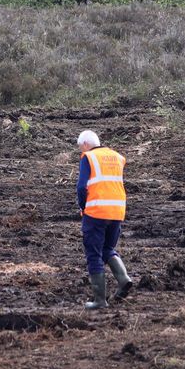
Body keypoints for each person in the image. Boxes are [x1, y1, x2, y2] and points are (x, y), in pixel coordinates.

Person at [76, 130, 135, 309]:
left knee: (94, 253)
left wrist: (83, 207)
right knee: (107, 248)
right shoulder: (117, 157)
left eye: (80, 147)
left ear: (85, 144)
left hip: (96, 212)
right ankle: (123, 279)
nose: (80, 150)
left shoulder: (88, 157)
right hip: (117, 211)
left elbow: (81, 187)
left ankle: (99, 300)